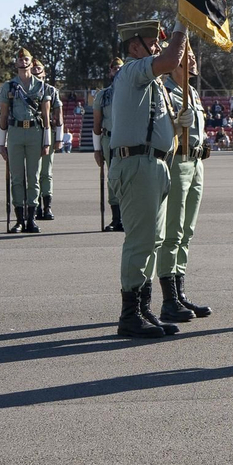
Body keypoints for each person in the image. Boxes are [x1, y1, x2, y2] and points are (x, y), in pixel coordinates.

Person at [107, 20, 190, 339]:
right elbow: (170, 60)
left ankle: (143, 310)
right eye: (152, 41)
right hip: (138, 164)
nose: (157, 46)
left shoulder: (151, 82)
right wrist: (183, 27)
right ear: (133, 46)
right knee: (141, 241)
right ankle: (130, 315)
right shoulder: (132, 70)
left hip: (152, 165)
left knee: (151, 241)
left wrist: (175, 123)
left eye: (159, 41)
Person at [157, 48, 212, 322]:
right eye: (188, 57)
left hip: (196, 163)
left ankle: (180, 293)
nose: (193, 61)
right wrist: (176, 126)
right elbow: (159, 130)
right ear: (176, 62)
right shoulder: (165, 91)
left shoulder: (193, 93)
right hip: (177, 163)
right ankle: (169, 300)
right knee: (173, 231)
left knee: (187, 231)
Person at [0, 49, 52, 234]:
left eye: (26, 59)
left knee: (33, 177)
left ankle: (31, 219)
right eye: (20, 60)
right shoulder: (9, 86)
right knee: (16, 178)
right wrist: (1, 142)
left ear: (31, 62)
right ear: (16, 64)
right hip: (15, 132)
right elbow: (3, 115)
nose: (23, 62)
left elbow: (46, 116)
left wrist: (47, 142)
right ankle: (19, 219)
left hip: (34, 132)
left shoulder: (41, 86)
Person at [94, 58, 124, 232]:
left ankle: (128, 217)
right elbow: (97, 124)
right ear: (110, 72)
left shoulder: (132, 92)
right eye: (115, 69)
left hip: (128, 140)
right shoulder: (103, 95)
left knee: (128, 178)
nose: (117, 72)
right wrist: (97, 149)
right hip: (109, 139)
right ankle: (116, 218)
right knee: (113, 178)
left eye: (121, 69)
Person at [33, 59, 64, 220]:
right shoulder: (24, 90)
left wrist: (58, 137)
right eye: (33, 68)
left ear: (44, 73)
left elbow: (58, 114)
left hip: (49, 132)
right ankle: (35, 205)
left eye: (38, 68)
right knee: (33, 172)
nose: (35, 70)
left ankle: (47, 207)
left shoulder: (51, 90)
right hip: (32, 132)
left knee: (46, 171)